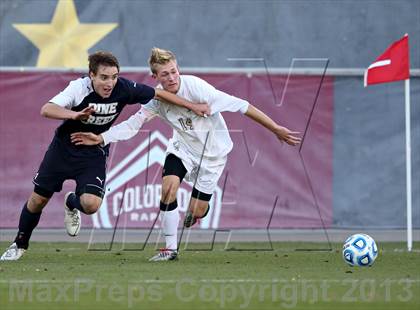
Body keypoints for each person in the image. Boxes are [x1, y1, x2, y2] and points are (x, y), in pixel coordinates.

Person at [70, 47, 301, 262]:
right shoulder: (157, 99)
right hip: (182, 150)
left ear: (178, 69)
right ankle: (170, 249)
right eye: (165, 74)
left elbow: (243, 106)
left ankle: (201, 210)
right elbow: (133, 124)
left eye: (174, 71)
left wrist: (276, 129)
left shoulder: (198, 89)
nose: (171, 77)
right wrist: (102, 137)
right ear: (155, 77)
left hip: (213, 156)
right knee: (168, 187)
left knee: (196, 210)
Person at [0, 51, 210, 261]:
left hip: (94, 151)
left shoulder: (124, 88)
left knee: (91, 205)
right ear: (91, 75)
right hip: (63, 150)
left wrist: (192, 106)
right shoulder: (78, 88)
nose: (110, 83)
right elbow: (47, 109)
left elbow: (159, 94)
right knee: (38, 200)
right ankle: (19, 244)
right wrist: (75, 115)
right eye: (104, 77)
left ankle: (72, 203)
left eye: (114, 76)